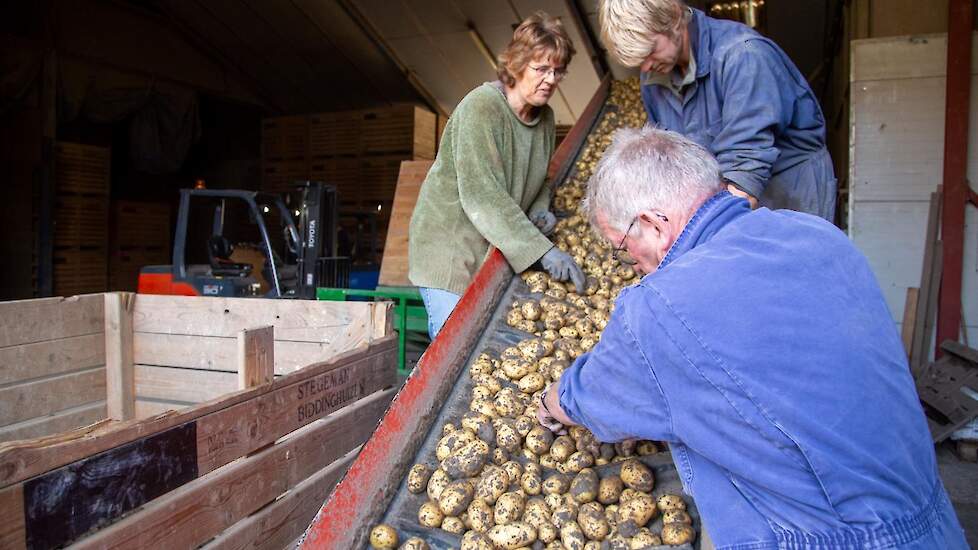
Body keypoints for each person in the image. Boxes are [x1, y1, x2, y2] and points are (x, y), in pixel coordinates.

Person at [537, 127, 968, 549]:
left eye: (623, 248)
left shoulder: (659, 307)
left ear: (653, 224)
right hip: (935, 519)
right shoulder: (818, 235)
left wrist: (549, 401)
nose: (630, 264)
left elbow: (589, 395)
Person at [409, 12, 585, 339]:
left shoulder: (544, 119)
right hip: (451, 248)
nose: (551, 79)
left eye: (558, 71)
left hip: (494, 245)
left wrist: (540, 208)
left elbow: (540, 179)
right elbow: (483, 197)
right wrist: (543, 251)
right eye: (541, 69)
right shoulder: (482, 108)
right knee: (454, 344)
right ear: (517, 64)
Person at [598, 0, 837, 221]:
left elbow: (745, 171)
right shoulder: (654, 79)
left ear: (674, 18)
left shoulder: (743, 56)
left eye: (650, 52)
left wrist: (698, 235)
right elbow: (671, 158)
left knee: (804, 264)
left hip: (790, 197)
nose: (647, 66)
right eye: (640, 60)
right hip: (731, 200)